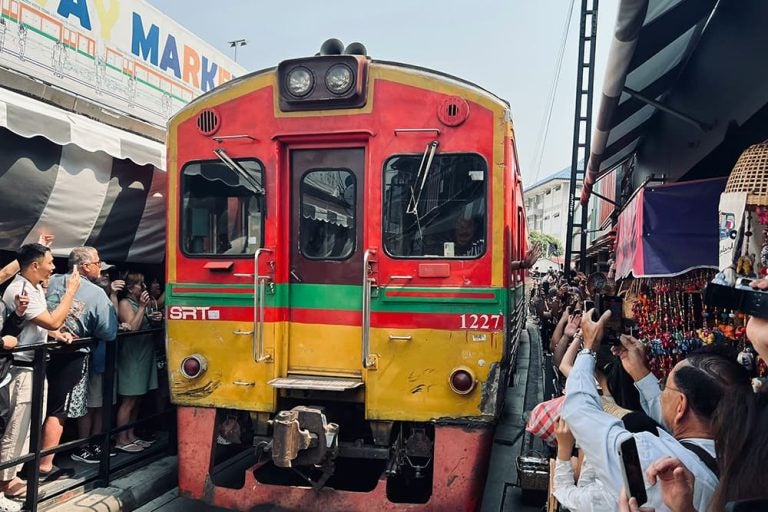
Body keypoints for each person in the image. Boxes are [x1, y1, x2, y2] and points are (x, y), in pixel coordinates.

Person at [561, 308, 751, 511]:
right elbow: (669, 419)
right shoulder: (741, 459)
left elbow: (579, 410)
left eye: (665, 387)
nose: (661, 394)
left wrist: (589, 348)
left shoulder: (652, 458)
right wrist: (641, 374)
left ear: (681, 406)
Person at [0, 243, 80, 499]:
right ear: (35, 265)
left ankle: (12, 478)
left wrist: (58, 334)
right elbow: (52, 319)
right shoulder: (19, 288)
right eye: (50, 262)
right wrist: (70, 293)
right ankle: (5, 483)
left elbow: (44, 324)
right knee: (17, 427)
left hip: (32, 366)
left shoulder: (32, 287)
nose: (53, 267)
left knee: (26, 426)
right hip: (22, 369)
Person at [40, 247, 118, 470]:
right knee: (58, 412)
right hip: (71, 356)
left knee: (37, 408)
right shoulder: (95, 293)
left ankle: (30, 461)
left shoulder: (49, 281)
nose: (99, 267)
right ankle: (45, 465)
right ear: (85, 266)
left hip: (40, 353)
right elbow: (109, 331)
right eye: (97, 263)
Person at [114, 273, 159, 453]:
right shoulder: (125, 303)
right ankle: (121, 439)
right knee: (129, 399)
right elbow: (132, 327)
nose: (143, 287)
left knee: (138, 398)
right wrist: (142, 308)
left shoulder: (143, 303)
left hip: (144, 353)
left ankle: (130, 435)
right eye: (140, 284)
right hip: (132, 355)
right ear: (131, 288)